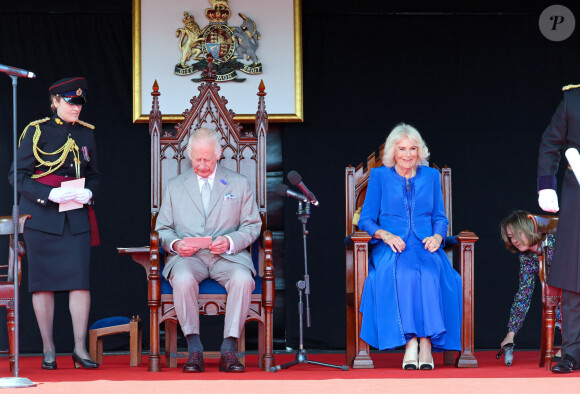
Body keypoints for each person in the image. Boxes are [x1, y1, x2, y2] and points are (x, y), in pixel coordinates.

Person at [8, 77, 100, 369]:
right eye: (71, 102)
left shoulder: (86, 134)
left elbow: (95, 174)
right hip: (42, 216)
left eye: (79, 103)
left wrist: (90, 192)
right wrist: (49, 193)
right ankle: (48, 350)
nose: (77, 108)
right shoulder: (36, 131)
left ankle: (79, 349)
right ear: (56, 102)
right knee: (42, 284)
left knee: (79, 283)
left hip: (75, 216)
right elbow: (17, 176)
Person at [155, 127, 261, 373]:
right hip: (188, 257)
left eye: (207, 159)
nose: (201, 164)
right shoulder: (175, 185)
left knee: (243, 279)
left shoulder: (239, 183)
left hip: (228, 256)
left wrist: (231, 240)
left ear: (219, 154)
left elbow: (253, 225)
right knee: (181, 279)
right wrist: (175, 244)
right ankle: (194, 350)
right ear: (189, 155)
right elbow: (162, 229)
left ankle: (228, 350)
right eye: (196, 159)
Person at [357, 123, 462, 370]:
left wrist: (437, 236)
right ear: (393, 151)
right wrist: (384, 234)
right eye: (402, 149)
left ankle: (426, 343)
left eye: (412, 149)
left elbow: (440, 217)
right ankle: (411, 343)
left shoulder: (431, 176)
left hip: (426, 245)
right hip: (393, 246)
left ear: (420, 151)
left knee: (429, 274)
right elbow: (366, 219)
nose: (407, 154)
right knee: (404, 275)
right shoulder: (379, 176)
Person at [537, 83, 580, 373]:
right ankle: (572, 353)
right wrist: (546, 187)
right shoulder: (572, 99)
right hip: (577, 195)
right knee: (574, 277)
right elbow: (550, 143)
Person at [497, 210, 561, 365]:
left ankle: (572, 344)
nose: (515, 241)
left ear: (529, 229)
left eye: (518, 234)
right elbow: (523, 296)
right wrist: (510, 334)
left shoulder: (554, 241)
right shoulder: (527, 258)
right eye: (511, 237)